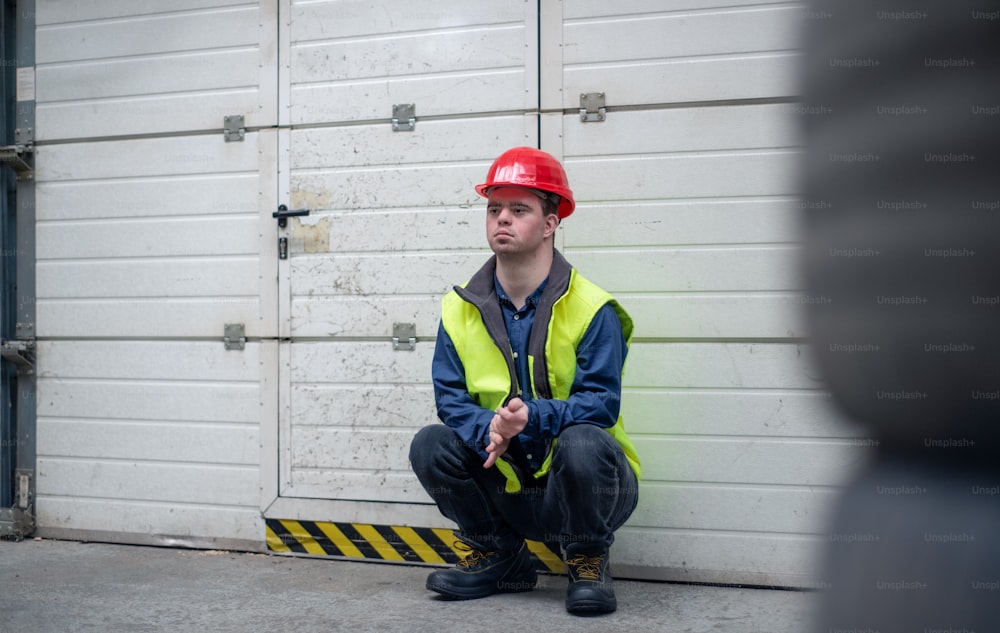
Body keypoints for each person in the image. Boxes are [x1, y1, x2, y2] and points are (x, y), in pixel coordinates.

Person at [408, 147, 641, 616]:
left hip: (586, 486)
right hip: (510, 482)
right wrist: (489, 428)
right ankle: (501, 556)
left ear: (551, 223)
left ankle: (587, 556)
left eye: (519, 210)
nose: (502, 220)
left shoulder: (593, 308)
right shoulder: (459, 308)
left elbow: (600, 404)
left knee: (582, 442)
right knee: (431, 445)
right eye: (495, 209)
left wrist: (533, 415)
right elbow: (450, 399)